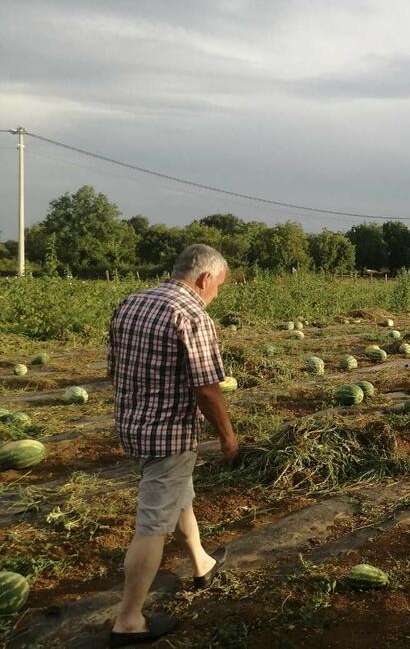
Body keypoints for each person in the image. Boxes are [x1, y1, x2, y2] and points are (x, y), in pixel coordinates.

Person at [106, 244, 239, 647]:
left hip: (133, 425)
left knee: (180, 496)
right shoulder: (192, 314)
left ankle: (201, 562)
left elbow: (114, 368)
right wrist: (228, 435)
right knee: (152, 525)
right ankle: (128, 621)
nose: (216, 294)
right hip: (169, 434)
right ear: (204, 278)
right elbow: (206, 389)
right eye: (218, 286)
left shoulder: (132, 302)